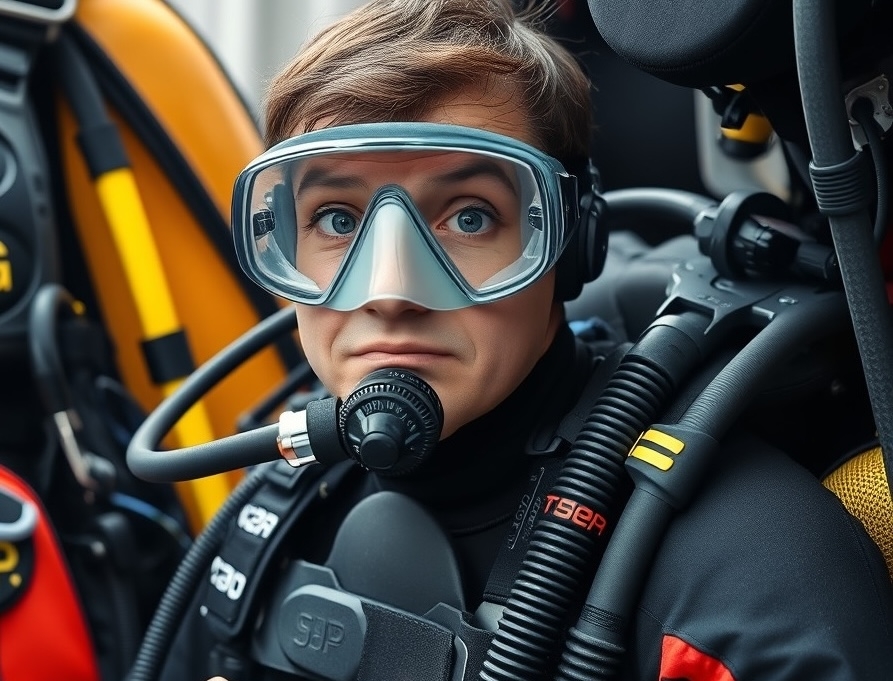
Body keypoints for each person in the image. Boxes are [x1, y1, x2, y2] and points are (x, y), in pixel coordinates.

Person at [156, 0, 893, 679]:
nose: (388, 289)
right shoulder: (276, 514)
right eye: (338, 222)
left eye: (468, 217)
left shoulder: (742, 573)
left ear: (571, 246)